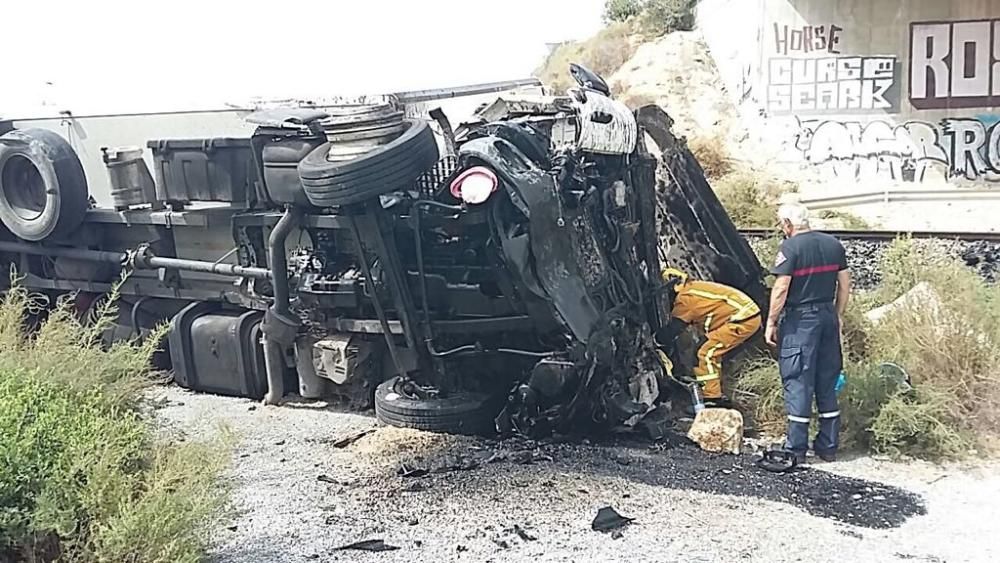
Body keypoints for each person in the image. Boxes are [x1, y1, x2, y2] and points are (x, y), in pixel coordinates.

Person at [765, 202, 851, 463]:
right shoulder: (833, 245)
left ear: (788, 224)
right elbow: (845, 285)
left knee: (798, 378)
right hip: (827, 316)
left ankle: (796, 448)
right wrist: (837, 314)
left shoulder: (791, 247)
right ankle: (828, 446)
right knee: (827, 379)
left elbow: (781, 288)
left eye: (782, 224)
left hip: (801, 320)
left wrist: (771, 321)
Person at [660, 267, 762, 408]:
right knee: (711, 353)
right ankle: (715, 392)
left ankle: (712, 400)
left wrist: (656, 342)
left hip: (742, 320)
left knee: (703, 353)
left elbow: (674, 329)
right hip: (746, 316)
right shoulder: (692, 288)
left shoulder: (686, 299)